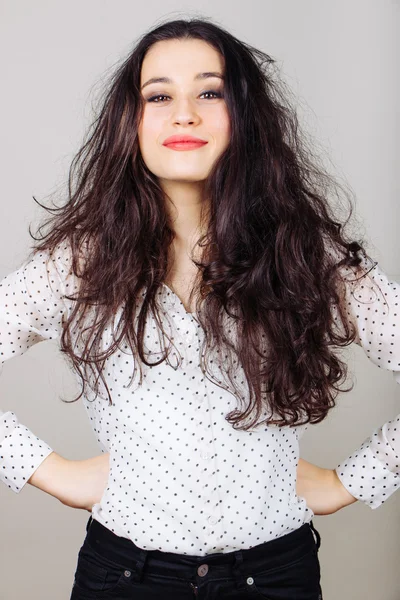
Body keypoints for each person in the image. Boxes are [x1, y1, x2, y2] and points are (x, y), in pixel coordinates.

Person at [0, 16, 398, 600]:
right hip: (125, 578)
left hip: (276, 576)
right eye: (158, 95)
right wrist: (52, 473)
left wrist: (352, 482)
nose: (184, 113)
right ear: (129, 123)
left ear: (244, 115)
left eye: (209, 92)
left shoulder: (305, 253)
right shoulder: (83, 260)